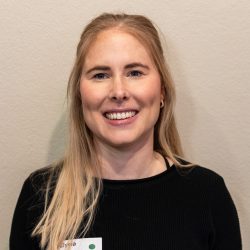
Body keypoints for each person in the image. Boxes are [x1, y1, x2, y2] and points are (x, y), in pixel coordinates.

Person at [9, 13, 242, 250]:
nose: (118, 91)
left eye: (135, 73)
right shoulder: (40, 195)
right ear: (80, 94)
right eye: (100, 75)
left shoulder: (207, 194)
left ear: (162, 90)